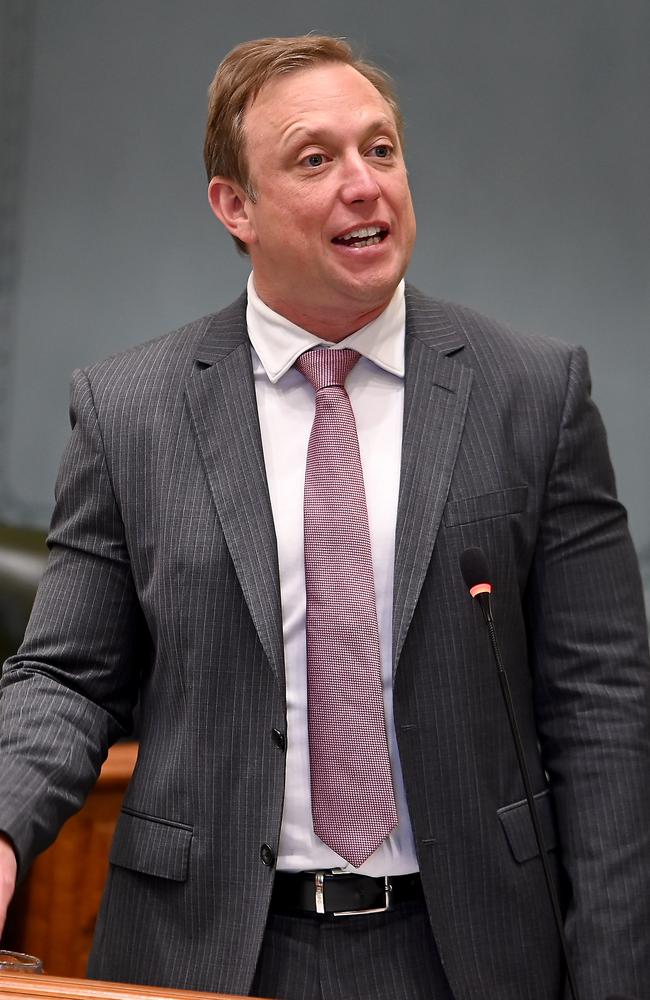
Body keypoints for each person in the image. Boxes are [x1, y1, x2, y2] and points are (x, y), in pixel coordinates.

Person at [0, 34, 649, 1000]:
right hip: (206, 949)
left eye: (380, 149)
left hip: (469, 949)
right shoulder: (129, 409)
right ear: (235, 205)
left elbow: (602, 708)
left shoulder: (533, 392)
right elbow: (68, 674)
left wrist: (614, 975)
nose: (364, 184)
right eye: (316, 159)